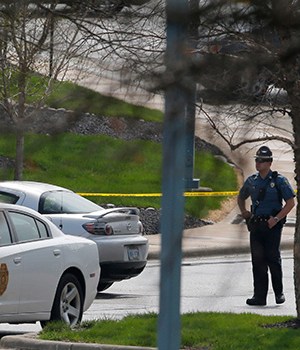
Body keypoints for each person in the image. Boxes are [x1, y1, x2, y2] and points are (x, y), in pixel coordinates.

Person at [237, 145, 295, 306]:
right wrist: (244, 211)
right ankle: (259, 296)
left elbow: (290, 203)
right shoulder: (252, 181)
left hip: (272, 225)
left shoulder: (279, 181)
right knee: (258, 261)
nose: (258, 163)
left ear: (270, 163)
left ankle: (278, 292)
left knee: (273, 258)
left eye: (262, 161)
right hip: (256, 225)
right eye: (257, 160)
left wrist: (276, 219)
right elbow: (241, 197)